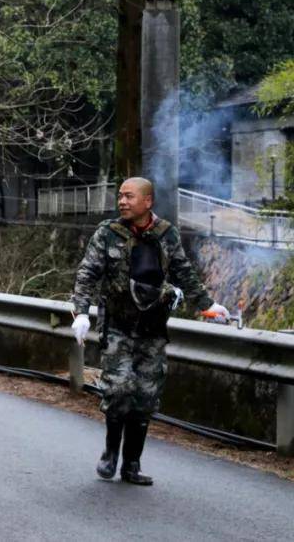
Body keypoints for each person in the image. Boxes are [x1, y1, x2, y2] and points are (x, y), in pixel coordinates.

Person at [72, 177, 231, 486]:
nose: (122, 202)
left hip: (152, 329)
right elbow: (87, 272)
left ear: (148, 202)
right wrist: (81, 312)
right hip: (117, 326)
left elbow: (183, 271)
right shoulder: (107, 233)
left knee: (145, 397)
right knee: (117, 390)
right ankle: (110, 454)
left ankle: (132, 464)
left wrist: (207, 305)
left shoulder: (166, 234)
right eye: (120, 196)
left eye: (129, 197)